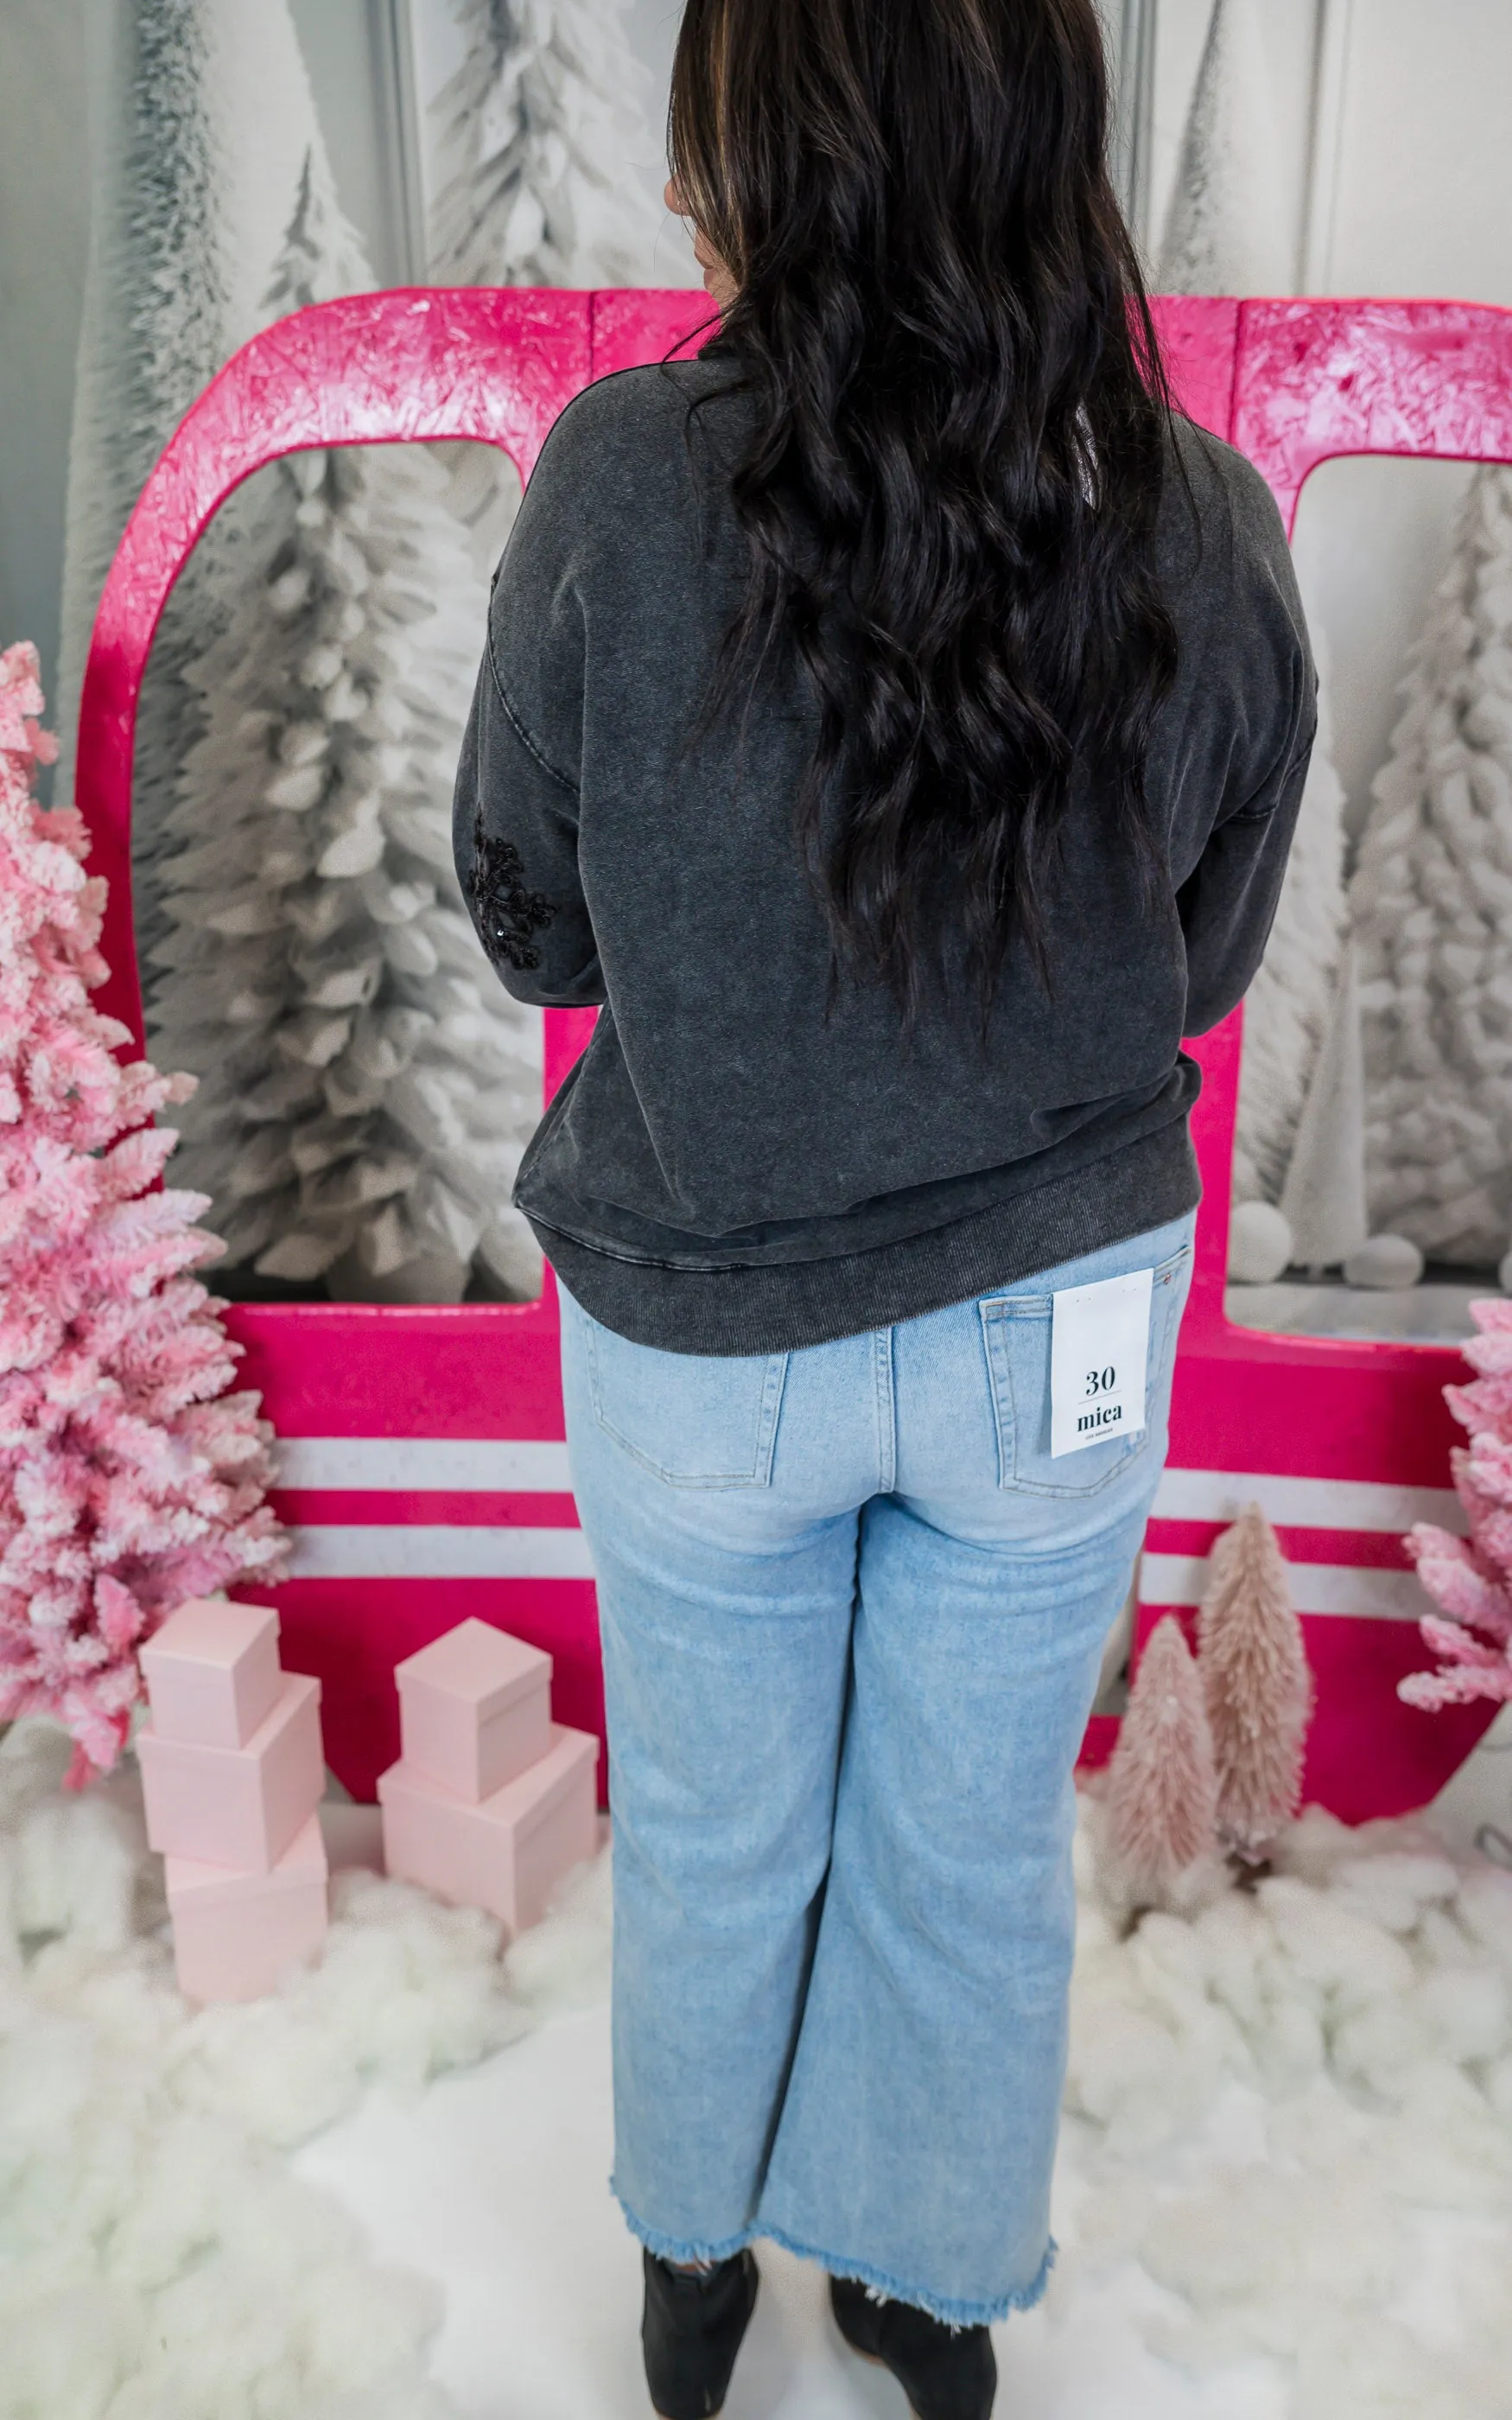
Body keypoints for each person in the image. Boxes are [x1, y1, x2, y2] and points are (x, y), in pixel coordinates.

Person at [454, 2, 1313, 2410]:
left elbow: (524, 911)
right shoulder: (1201, 508)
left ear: (759, 158)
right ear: (1046, 138)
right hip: (1059, 1322)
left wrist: (735, 967)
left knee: (722, 1838)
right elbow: (1206, 952)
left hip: (708, 1320)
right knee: (962, 1847)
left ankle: (691, 2268)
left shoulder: (620, 480)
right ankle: (923, 2287)